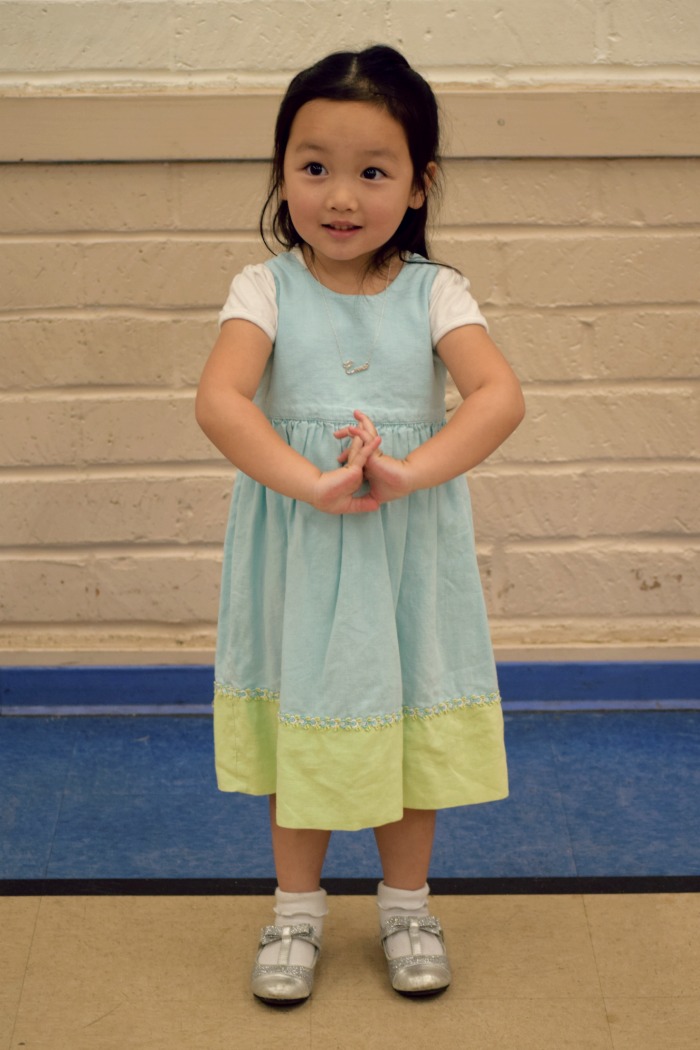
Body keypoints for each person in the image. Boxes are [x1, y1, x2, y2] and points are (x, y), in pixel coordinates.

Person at [196, 44, 525, 1006]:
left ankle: (407, 908)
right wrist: (310, 481)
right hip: (303, 549)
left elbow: (498, 395)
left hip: (401, 550)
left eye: (373, 172)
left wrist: (409, 471)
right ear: (282, 172)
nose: (340, 196)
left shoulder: (436, 290)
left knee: (406, 722)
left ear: (419, 183)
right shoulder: (265, 287)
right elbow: (220, 399)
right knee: (302, 719)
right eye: (314, 167)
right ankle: (295, 913)